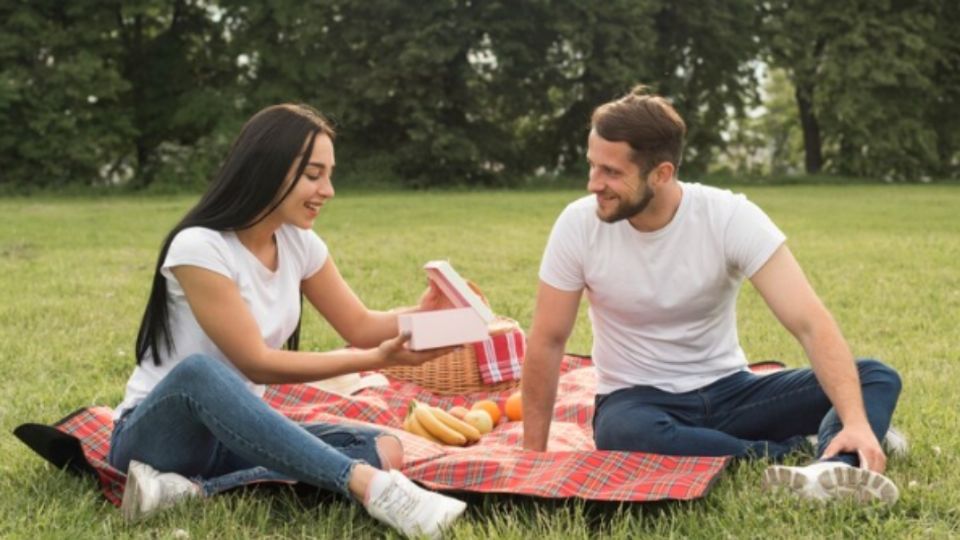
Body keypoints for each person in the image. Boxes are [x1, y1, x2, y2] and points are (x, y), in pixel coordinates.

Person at [521, 85, 903, 504]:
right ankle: (793, 452)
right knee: (620, 433)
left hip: (731, 391)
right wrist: (533, 456)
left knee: (874, 376)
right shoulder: (578, 226)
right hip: (638, 402)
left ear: (661, 173)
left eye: (611, 172)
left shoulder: (727, 216)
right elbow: (548, 339)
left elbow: (809, 322)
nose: (594, 183)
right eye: (593, 166)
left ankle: (835, 468)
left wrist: (853, 418)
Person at [109, 103, 466, 539]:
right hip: (159, 438)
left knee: (384, 447)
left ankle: (191, 493)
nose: (328, 190)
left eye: (329, 175)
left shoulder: (300, 244)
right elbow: (255, 362)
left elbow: (361, 325)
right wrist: (371, 359)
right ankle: (372, 489)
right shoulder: (199, 247)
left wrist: (429, 315)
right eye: (314, 175)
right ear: (268, 169)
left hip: (234, 435)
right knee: (200, 374)